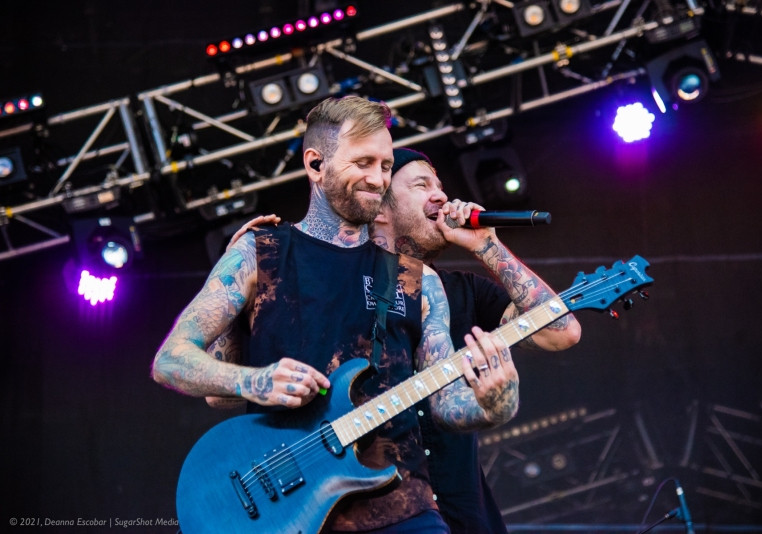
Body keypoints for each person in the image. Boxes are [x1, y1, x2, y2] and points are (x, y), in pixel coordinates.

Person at [151, 96, 519, 534]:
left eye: (384, 166)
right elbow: (171, 359)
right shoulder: (259, 254)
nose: (377, 178)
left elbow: (444, 406)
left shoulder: (416, 280)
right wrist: (254, 380)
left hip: (404, 510)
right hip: (292, 509)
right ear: (315, 164)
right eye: (363, 162)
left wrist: (495, 403)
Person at [215, 147, 582, 533]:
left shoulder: (459, 291)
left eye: (440, 186)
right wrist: (230, 285)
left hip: (456, 515)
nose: (441, 196)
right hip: (342, 511)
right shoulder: (315, 282)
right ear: (379, 208)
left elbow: (563, 331)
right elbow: (221, 392)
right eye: (423, 185)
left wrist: (486, 245)